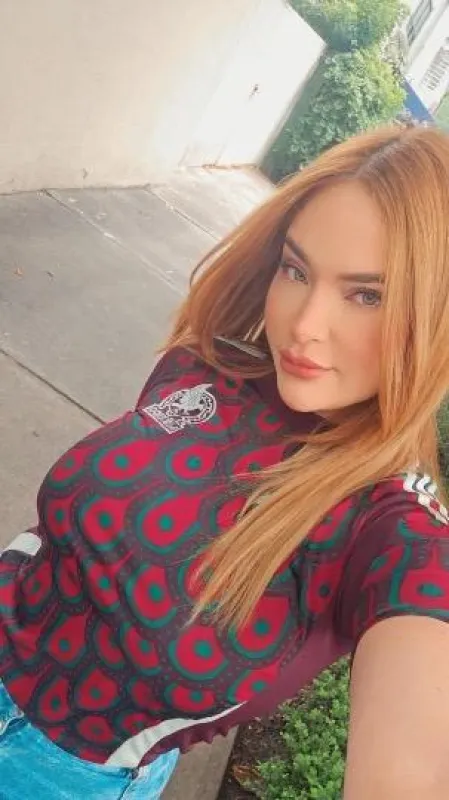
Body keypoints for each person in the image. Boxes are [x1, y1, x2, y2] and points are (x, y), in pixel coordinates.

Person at [2, 124, 449, 800]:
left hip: (55, 778)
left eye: (367, 295)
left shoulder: (387, 524)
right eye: (296, 270)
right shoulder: (207, 367)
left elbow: (413, 748)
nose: (304, 325)